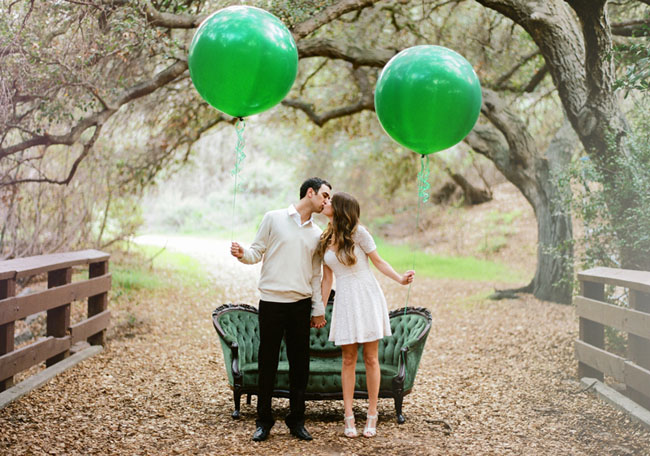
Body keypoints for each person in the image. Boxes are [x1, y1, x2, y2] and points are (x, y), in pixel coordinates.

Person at [231, 177, 331, 442]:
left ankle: (296, 420)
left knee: (300, 366)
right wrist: (242, 253)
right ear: (310, 193)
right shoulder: (273, 218)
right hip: (272, 302)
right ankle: (263, 421)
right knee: (268, 363)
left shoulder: (317, 234)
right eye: (324, 195)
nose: (326, 201)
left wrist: (317, 309)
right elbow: (256, 252)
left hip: (300, 306)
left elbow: (316, 275)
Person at [317, 192, 414, 438]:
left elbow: (378, 262)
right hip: (345, 300)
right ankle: (348, 416)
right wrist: (319, 308)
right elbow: (327, 279)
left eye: (330, 201)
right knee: (348, 359)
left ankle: (372, 413)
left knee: (371, 358)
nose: (325, 202)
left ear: (341, 208)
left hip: (367, 296)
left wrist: (400, 279)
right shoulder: (325, 238)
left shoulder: (359, 233)